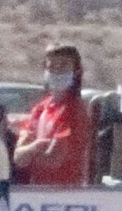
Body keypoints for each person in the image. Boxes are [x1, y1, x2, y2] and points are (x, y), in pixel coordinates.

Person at [12, 44, 93, 187]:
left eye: (63, 65)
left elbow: (54, 159)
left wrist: (30, 150)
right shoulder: (40, 108)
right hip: (36, 189)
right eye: (52, 66)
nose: (57, 71)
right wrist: (35, 147)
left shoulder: (74, 109)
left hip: (65, 193)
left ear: (76, 71)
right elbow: (18, 157)